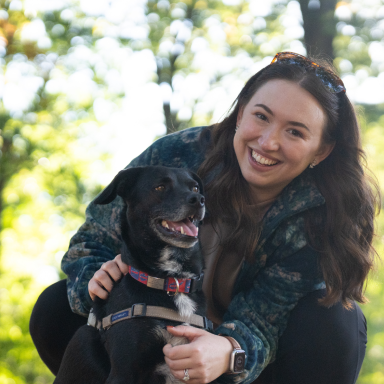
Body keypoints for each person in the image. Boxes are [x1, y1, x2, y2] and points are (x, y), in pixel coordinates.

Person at [30, 52, 380, 384]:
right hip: (147, 332)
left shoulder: (323, 214)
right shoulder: (179, 155)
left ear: (322, 149)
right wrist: (95, 277)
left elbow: (267, 317)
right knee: (55, 306)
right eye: (261, 116)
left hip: (249, 365)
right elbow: (92, 240)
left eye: (295, 132)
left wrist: (229, 351)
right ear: (241, 112)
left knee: (335, 321)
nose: (268, 141)